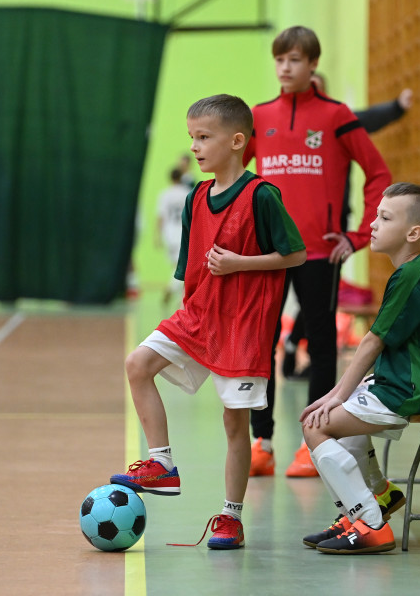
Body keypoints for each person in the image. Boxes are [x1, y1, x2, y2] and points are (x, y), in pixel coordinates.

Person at [110, 94, 306, 550]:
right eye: (192, 138)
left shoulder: (262, 196)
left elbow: (295, 254)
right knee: (138, 364)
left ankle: (231, 517)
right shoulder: (195, 197)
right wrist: (185, 314)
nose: (194, 147)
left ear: (236, 141)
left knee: (234, 426)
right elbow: (190, 270)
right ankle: (162, 464)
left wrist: (240, 263)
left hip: (242, 326)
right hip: (198, 317)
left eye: (203, 137)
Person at [244, 26, 393, 478]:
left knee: (322, 347)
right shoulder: (259, 116)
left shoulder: (335, 115)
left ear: (312, 65)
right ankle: (262, 444)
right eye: (279, 59)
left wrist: (358, 235)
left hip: (318, 254)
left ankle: (314, 444)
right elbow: (233, 174)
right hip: (270, 255)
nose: (285, 67)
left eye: (294, 59)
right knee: (260, 346)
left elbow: (377, 172)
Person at [299, 182, 420, 553]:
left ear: (413, 233)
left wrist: (335, 395)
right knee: (345, 427)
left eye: (385, 218)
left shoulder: (413, 274)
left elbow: (373, 341)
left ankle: (370, 522)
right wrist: (341, 396)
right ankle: (370, 504)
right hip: (414, 382)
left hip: (416, 388)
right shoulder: (417, 271)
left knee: (315, 426)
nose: (372, 224)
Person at [281, 71, 413, 380]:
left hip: (330, 234)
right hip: (288, 233)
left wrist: (396, 107)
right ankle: (290, 347)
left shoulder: (338, 120)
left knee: (318, 301)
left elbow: (367, 119)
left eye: (315, 86)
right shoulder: (283, 125)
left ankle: (299, 351)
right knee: (303, 300)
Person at [155, 166, 190, 306]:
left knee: (177, 265)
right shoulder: (186, 193)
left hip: (168, 233)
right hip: (182, 232)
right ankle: (173, 288)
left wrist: (158, 235)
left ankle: (177, 292)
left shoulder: (164, 194)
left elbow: (161, 216)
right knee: (182, 266)